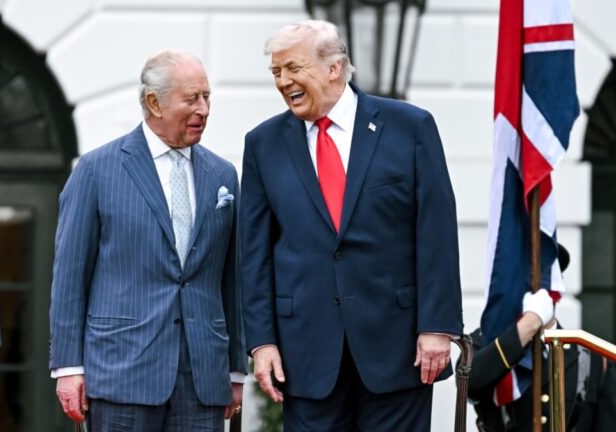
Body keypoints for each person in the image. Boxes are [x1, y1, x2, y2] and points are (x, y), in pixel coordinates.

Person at [239, 20, 463, 431]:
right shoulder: (263, 144)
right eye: (276, 72)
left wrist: (437, 326)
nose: (283, 81)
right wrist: (261, 342)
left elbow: (436, 233)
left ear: (333, 68)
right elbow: (253, 254)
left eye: (293, 68)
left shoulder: (410, 127)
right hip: (304, 353)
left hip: (397, 349)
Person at [48, 49, 246, 431]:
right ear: (154, 102)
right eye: (192, 99)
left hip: (203, 380)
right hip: (122, 374)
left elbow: (231, 280)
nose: (204, 109)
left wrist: (235, 370)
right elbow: (70, 276)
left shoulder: (223, 174)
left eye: (207, 97)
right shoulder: (96, 170)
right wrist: (69, 368)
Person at [468, 246, 616, 431]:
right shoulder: (485, 342)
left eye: (544, 279)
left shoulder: (592, 358)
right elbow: (469, 384)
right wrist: (528, 325)